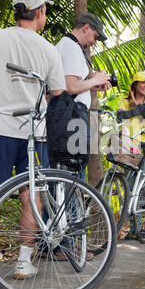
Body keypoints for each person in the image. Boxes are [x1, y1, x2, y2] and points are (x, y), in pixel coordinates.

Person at [0, 0, 66, 280]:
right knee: (30, 197)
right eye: (44, 10)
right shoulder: (48, 49)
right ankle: (23, 262)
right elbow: (57, 94)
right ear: (38, 12)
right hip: (35, 132)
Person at [54, 13, 112, 178]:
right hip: (72, 115)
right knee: (74, 175)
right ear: (86, 28)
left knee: (65, 172)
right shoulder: (72, 47)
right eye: (95, 36)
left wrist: (93, 84)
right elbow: (70, 87)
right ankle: (72, 205)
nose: (94, 42)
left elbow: (66, 86)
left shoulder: (65, 45)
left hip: (65, 114)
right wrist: (96, 80)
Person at [117, 71, 145, 239]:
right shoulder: (125, 101)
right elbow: (121, 116)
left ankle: (135, 230)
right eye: (143, 82)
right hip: (129, 147)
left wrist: (144, 110)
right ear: (135, 85)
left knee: (140, 189)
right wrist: (139, 108)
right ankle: (124, 227)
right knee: (128, 186)